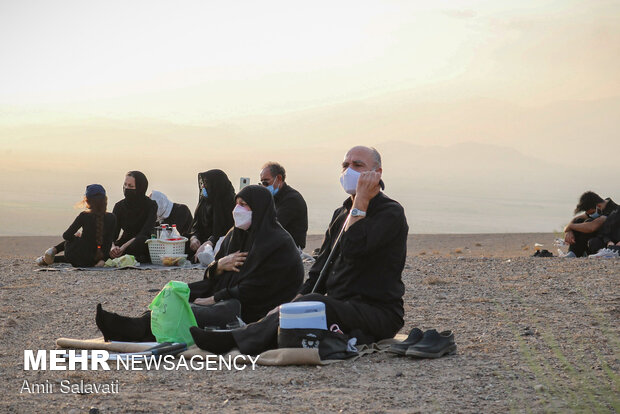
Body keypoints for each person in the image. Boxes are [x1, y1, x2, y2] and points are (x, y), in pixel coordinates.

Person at [190, 146, 408, 355]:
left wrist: (360, 202)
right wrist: (292, 303)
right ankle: (246, 334)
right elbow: (321, 268)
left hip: (376, 311)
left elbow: (353, 249)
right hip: (341, 306)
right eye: (345, 165)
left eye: (357, 165)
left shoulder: (390, 213)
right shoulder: (341, 213)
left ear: (377, 173)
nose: (348, 170)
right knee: (297, 310)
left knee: (318, 304)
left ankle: (233, 340)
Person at [95, 185, 304, 341]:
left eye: (244, 205)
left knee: (196, 312)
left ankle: (129, 329)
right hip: (229, 294)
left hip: (253, 309)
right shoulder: (236, 236)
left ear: (259, 209)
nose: (237, 210)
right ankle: (136, 324)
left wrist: (215, 298)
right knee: (176, 294)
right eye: (237, 204)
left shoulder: (277, 243)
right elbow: (213, 275)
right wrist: (218, 266)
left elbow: (262, 288)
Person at [36, 184, 116, 267]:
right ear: (105, 200)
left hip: (75, 257)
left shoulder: (84, 215)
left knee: (75, 241)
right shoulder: (112, 217)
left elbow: (66, 235)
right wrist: (103, 260)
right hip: (95, 259)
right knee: (86, 249)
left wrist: (76, 237)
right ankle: (47, 258)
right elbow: (108, 243)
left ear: (87, 200)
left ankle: (53, 250)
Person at [110, 171, 157, 262]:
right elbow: (112, 232)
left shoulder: (151, 205)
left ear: (140, 187)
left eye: (131, 186)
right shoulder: (119, 206)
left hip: (141, 241)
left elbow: (145, 231)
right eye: (125, 185)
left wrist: (123, 247)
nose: (127, 188)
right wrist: (112, 247)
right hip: (124, 241)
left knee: (141, 241)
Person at [259, 162, 308, 249]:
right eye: (261, 183)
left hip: (290, 249)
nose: (264, 187)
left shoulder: (292, 200)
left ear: (279, 178)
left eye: (266, 183)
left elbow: (273, 226)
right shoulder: (274, 198)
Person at [189, 170, 236, 260]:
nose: (203, 186)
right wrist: (194, 238)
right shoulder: (204, 202)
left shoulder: (230, 203)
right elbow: (196, 226)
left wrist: (209, 243)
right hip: (201, 244)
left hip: (221, 246)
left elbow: (227, 231)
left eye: (206, 183)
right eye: (203, 183)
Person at [563, 191, 618, 257]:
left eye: (591, 213)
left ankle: (579, 253)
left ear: (598, 206)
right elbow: (577, 218)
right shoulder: (598, 206)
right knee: (578, 221)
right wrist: (569, 230)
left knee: (588, 223)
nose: (590, 214)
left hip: (608, 241)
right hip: (598, 238)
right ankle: (573, 252)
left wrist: (570, 226)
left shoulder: (614, 210)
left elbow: (592, 227)